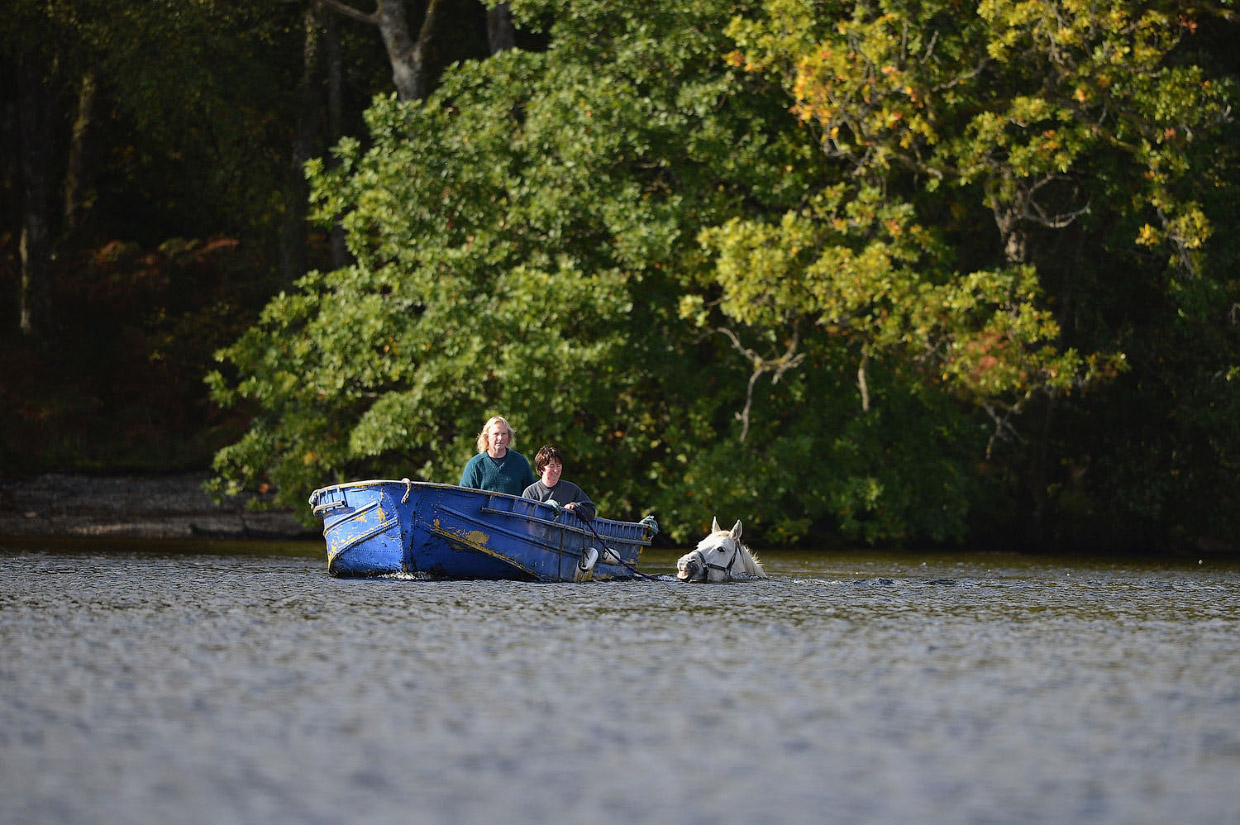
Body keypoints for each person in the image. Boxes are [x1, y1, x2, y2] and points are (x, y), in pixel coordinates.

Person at [458, 415, 537, 496]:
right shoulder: (475, 465)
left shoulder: (520, 462)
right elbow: (463, 497)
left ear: (509, 436)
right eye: (496, 434)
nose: (500, 438)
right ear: (487, 437)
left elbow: (532, 494)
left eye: (504, 434)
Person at [522, 444, 596, 521]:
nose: (556, 470)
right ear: (541, 468)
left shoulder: (571, 490)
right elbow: (522, 520)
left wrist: (574, 507)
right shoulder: (530, 493)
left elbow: (591, 511)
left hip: (564, 533)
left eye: (558, 466)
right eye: (551, 466)